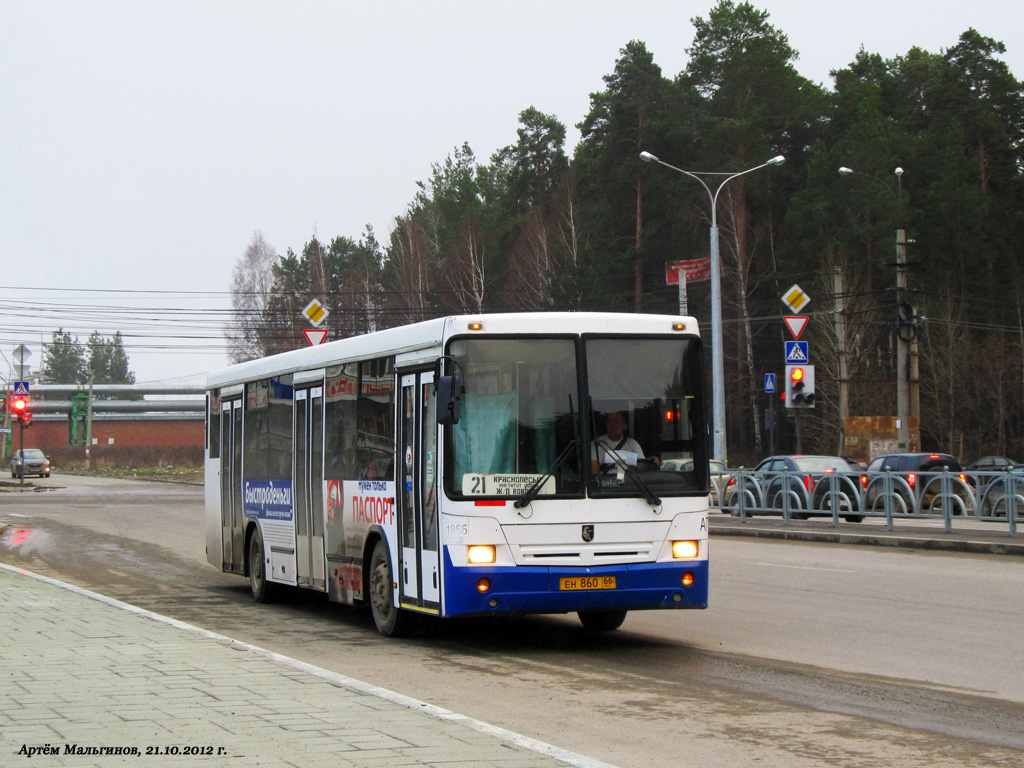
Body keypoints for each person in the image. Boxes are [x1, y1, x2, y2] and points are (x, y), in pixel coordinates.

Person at [591, 411, 657, 475]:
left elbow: (641, 467)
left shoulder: (632, 445)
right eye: (609, 421)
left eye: (617, 422)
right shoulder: (597, 444)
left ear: (624, 426)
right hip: (605, 484)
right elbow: (594, 471)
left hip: (628, 484)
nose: (613, 424)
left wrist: (650, 461)